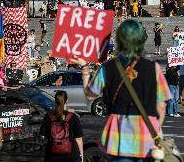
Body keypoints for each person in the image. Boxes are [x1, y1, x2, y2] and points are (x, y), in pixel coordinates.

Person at [71, 20, 169, 161]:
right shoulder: (154, 68)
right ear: (140, 40)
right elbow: (161, 107)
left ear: (119, 41)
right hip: (146, 138)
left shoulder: (107, 67)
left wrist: (85, 68)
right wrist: (155, 128)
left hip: (118, 136)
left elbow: (90, 95)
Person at [40, 91, 83, 162]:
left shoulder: (48, 116)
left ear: (55, 101)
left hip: (52, 156)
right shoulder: (72, 117)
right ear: (67, 101)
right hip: (71, 155)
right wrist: (81, 154)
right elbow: (78, 138)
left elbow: (42, 136)